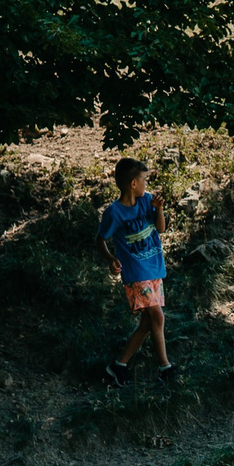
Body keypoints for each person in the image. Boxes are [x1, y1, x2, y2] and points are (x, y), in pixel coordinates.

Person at [96, 158, 173, 385]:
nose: (146, 185)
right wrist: (111, 259)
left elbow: (160, 228)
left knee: (149, 323)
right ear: (132, 183)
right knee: (158, 316)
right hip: (135, 274)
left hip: (154, 269)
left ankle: (118, 366)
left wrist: (159, 210)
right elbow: (100, 239)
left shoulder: (147, 201)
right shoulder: (114, 213)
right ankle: (165, 368)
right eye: (144, 180)